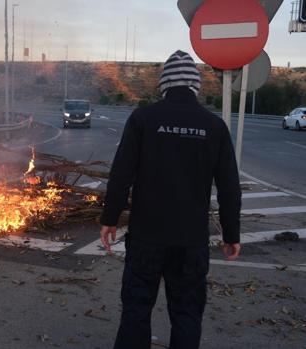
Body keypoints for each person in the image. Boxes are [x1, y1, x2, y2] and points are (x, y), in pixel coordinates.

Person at [100, 50, 242, 349]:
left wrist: (109, 219)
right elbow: (229, 187)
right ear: (195, 86)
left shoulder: (143, 118)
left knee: (136, 310)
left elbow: (121, 174)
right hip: (190, 241)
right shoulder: (214, 126)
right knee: (187, 314)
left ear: (164, 85)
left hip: (146, 237)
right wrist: (231, 234)